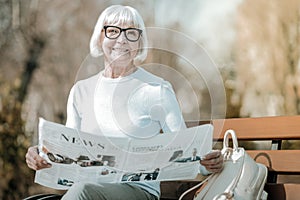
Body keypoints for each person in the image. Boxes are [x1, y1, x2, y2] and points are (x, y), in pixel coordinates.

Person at [25, 5, 223, 200]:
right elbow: (68, 154)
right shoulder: (81, 91)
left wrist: (206, 164)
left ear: (140, 43)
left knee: (82, 192)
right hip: (87, 189)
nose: (122, 40)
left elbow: (185, 152)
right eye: (113, 31)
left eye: (131, 33)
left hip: (137, 190)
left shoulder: (156, 89)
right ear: (100, 37)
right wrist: (42, 157)